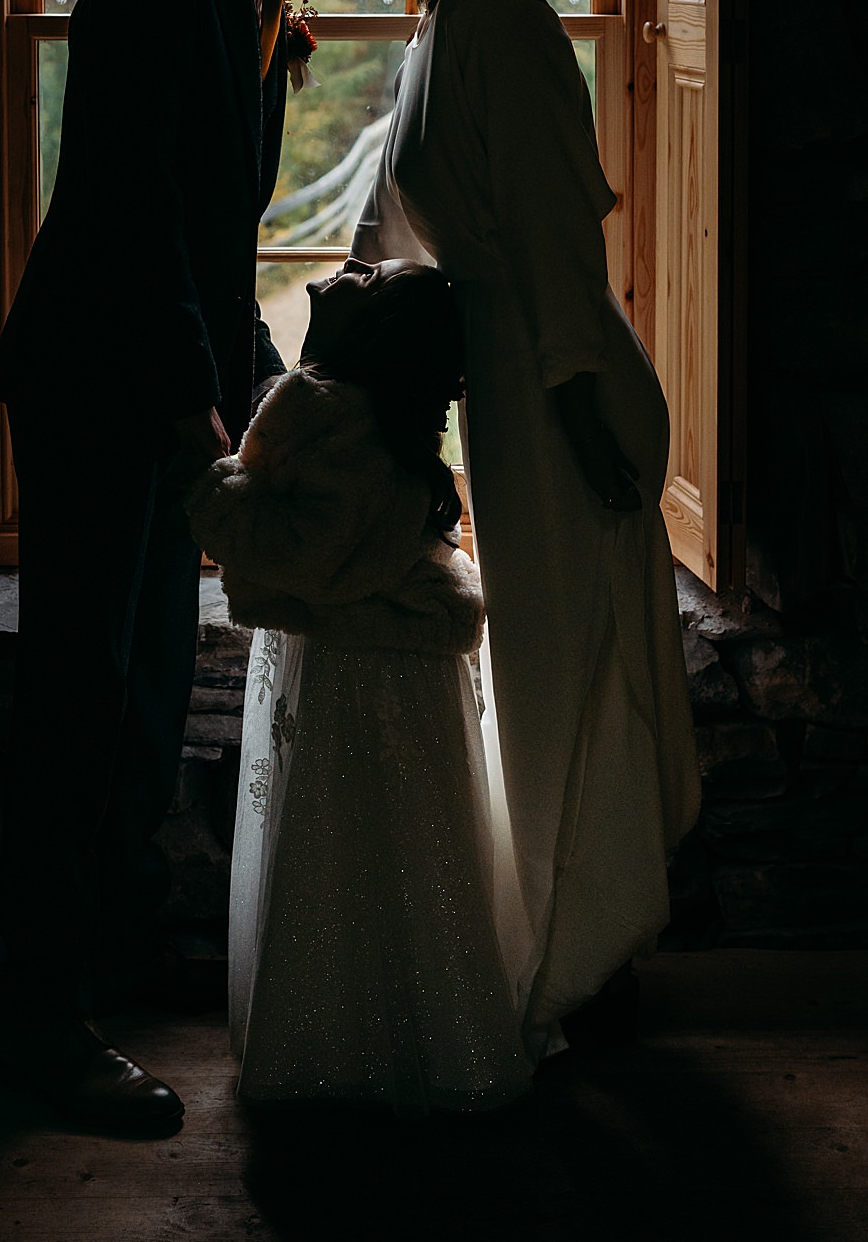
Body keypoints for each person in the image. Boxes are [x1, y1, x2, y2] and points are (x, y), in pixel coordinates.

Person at [0, 0, 375, 1133]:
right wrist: (190, 395)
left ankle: (96, 979)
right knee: (81, 703)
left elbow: (213, 237)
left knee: (144, 695)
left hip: (157, 389)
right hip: (99, 396)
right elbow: (124, 201)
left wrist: (270, 384)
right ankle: (35, 1025)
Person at [351, 0, 700, 1063]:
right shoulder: (442, 22)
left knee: (563, 670)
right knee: (540, 670)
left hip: (564, 395)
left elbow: (557, 235)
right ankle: (563, 930)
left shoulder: (503, 25)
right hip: (505, 390)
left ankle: (577, 949)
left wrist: (567, 404)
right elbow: (396, 220)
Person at [185, 261, 531, 1115]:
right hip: (406, 661)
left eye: (371, 279)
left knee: (339, 847)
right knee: (413, 848)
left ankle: (332, 1050)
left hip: (350, 666)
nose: (352, 266)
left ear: (375, 335)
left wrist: (213, 476)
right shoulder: (378, 417)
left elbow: (304, 554)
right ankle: (428, 1037)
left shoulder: (323, 411)